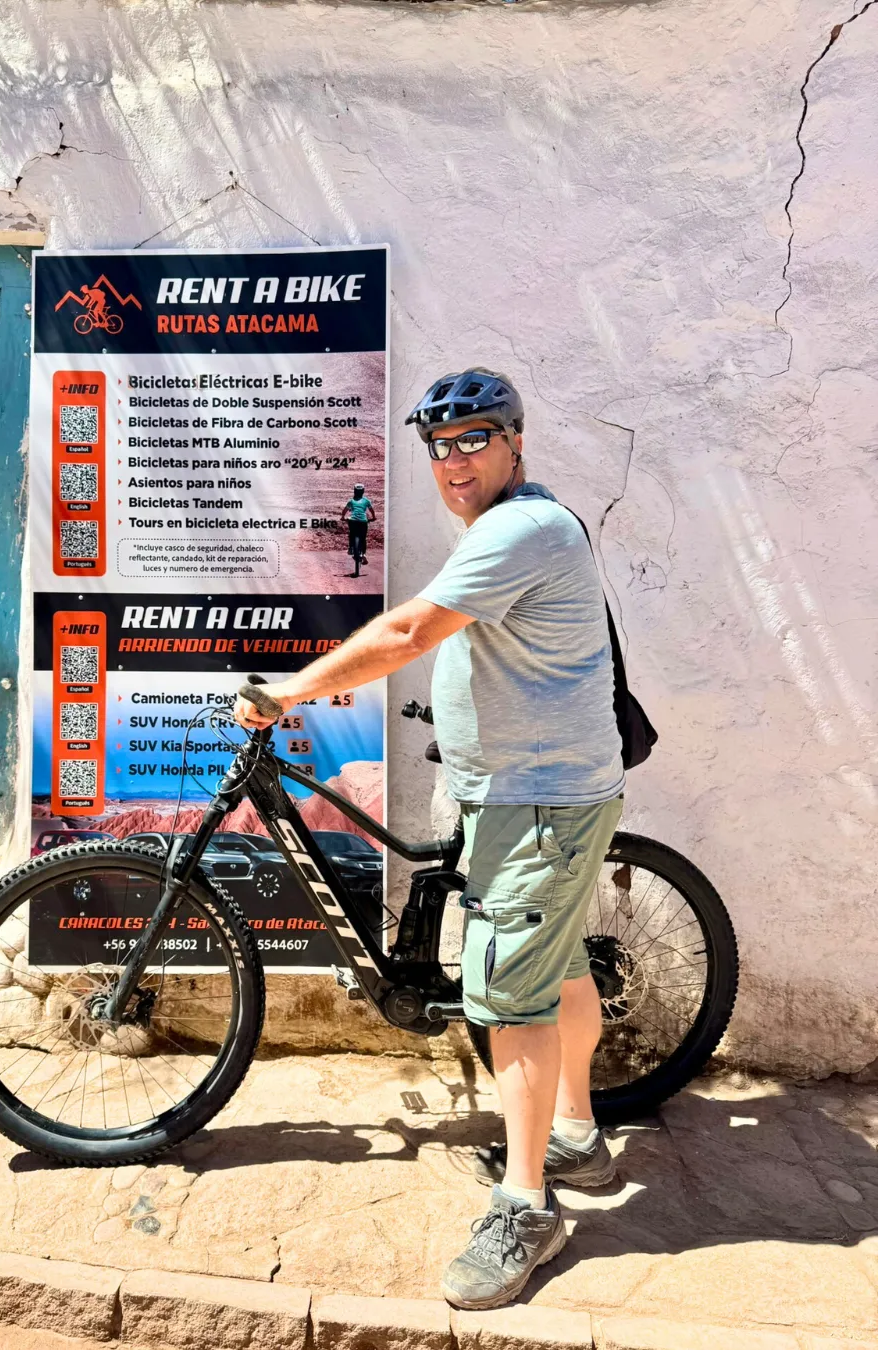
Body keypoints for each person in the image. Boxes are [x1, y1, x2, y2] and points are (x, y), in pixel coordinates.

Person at [234, 367, 624, 1310]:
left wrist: (288, 689)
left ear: (515, 441)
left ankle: (527, 1206)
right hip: (530, 794)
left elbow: (411, 628)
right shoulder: (507, 527)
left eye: (474, 439)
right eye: (439, 445)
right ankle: (576, 1136)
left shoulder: (521, 528)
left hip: (538, 803)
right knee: (560, 964)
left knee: (511, 1000)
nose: (454, 460)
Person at [341, 484, 375, 565]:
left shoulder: (351, 501)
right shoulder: (366, 501)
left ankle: (350, 548)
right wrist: (373, 518)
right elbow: (372, 511)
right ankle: (363, 554)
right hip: (363, 521)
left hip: (353, 521)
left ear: (354, 491)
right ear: (363, 492)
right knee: (363, 538)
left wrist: (342, 517)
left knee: (351, 534)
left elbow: (344, 510)